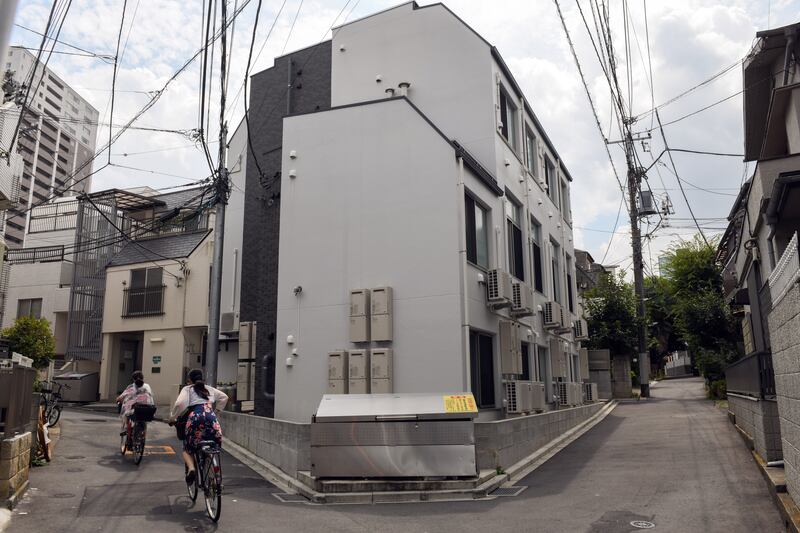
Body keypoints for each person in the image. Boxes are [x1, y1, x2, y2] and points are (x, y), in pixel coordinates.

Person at [169, 369, 228, 484]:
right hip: (211, 418)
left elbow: (179, 404)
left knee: (187, 448)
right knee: (211, 445)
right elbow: (224, 397)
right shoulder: (209, 388)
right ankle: (212, 472)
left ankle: (191, 469)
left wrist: (172, 417)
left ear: (189, 380)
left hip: (195, 418)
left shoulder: (188, 389)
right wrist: (217, 412)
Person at [116, 371, 155, 435]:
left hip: (135, 409)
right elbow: (150, 397)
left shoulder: (131, 386)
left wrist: (118, 400)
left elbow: (121, 397)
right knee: (144, 418)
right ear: (143, 378)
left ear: (133, 379)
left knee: (127, 413)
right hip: (148, 408)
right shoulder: (147, 386)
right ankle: (142, 435)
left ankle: (127, 428)